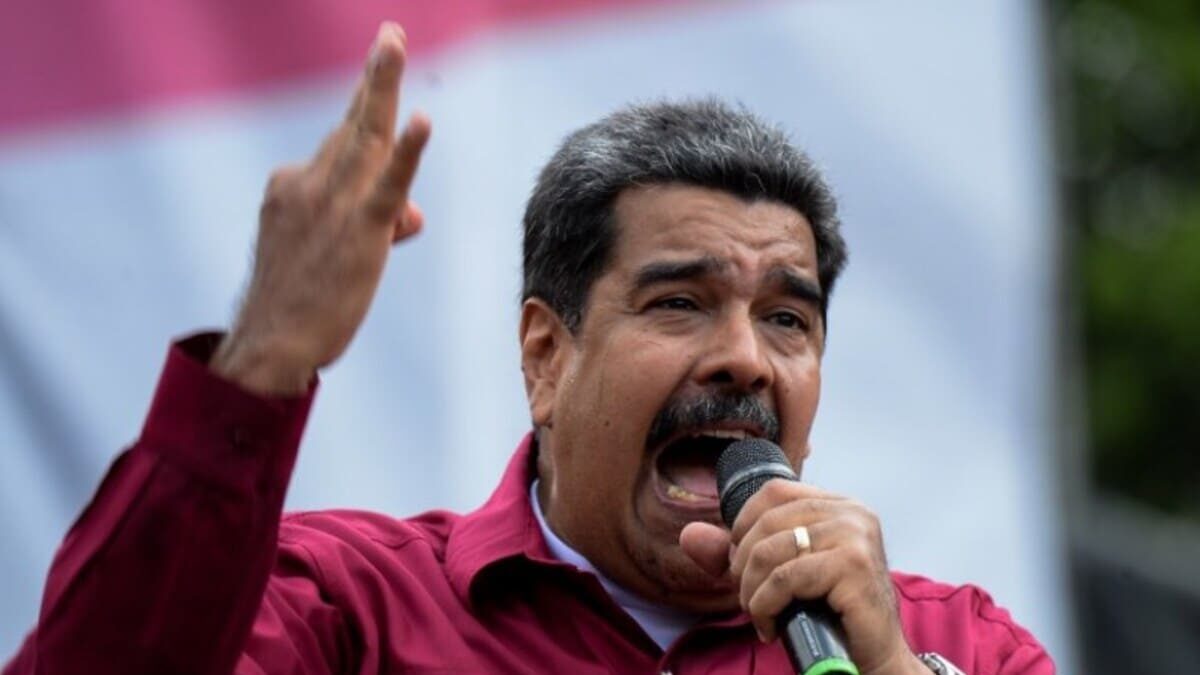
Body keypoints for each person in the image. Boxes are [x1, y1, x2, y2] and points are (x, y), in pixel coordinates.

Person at [3, 22, 1053, 675]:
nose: (745, 357)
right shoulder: (343, 607)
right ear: (547, 356)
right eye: (680, 302)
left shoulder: (958, 644)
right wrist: (263, 357)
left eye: (788, 319)